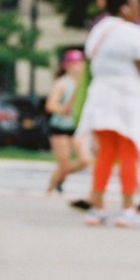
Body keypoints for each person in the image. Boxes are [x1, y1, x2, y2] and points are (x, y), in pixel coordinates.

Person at [79, 0, 140, 227]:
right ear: (124, 8)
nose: (139, 9)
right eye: (136, 4)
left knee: (105, 154)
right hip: (128, 99)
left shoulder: (98, 29)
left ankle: (97, 207)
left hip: (100, 96)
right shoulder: (134, 33)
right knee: (129, 153)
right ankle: (128, 208)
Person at [44, 49, 89, 194]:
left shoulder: (84, 84)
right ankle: (50, 191)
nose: (79, 66)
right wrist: (63, 109)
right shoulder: (62, 83)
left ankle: (60, 178)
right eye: (75, 63)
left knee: (85, 160)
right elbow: (50, 105)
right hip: (60, 127)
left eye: (80, 63)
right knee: (63, 163)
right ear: (67, 66)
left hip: (77, 127)